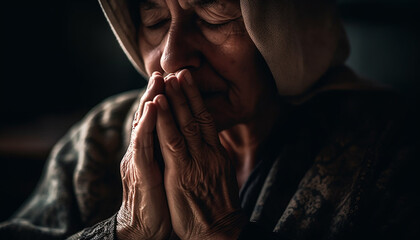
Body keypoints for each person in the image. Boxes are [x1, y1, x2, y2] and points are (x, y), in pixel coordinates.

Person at [1, 0, 419, 239]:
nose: (171, 57)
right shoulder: (101, 138)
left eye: (214, 17)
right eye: (155, 21)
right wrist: (125, 233)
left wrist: (222, 232)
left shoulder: (394, 151)